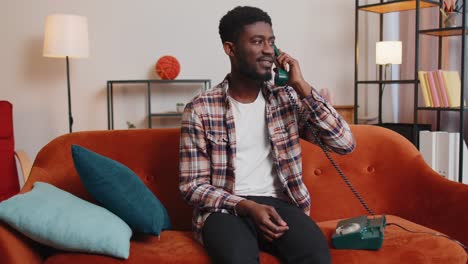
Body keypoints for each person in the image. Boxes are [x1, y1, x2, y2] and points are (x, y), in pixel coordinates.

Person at [179, 6, 355, 264]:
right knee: (238, 258)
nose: (268, 51)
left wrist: (302, 88)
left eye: (271, 42)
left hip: (280, 205)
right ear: (230, 49)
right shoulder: (200, 109)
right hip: (225, 209)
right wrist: (246, 206)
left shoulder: (288, 100)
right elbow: (191, 185)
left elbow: (345, 144)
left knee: (316, 255)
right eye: (257, 41)